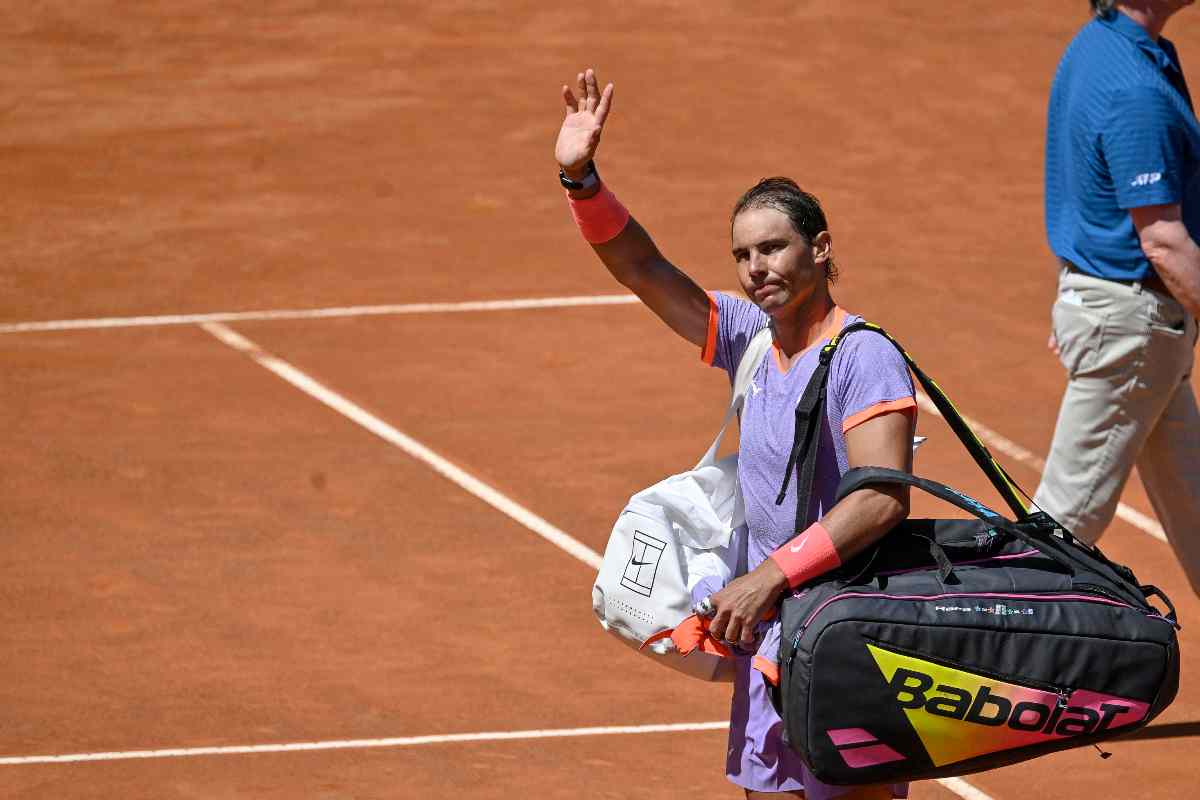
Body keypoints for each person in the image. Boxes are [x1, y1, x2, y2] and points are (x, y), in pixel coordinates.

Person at [555, 68, 917, 800]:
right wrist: (581, 179)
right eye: (744, 255)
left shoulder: (865, 356)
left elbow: (881, 500)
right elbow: (643, 269)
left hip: (848, 641)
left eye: (775, 249)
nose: (757, 270)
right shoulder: (751, 338)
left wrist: (768, 577)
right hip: (772, 640)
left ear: (820, 249)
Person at [1036, 0, 1200, 596]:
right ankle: (984, 659)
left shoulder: (1099, 47)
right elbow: (1163, 241)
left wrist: (1080, 293)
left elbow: (1084, 188)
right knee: (1059, 531)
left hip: (1123, 319)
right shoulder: (1139, 90)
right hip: (1135, 328)